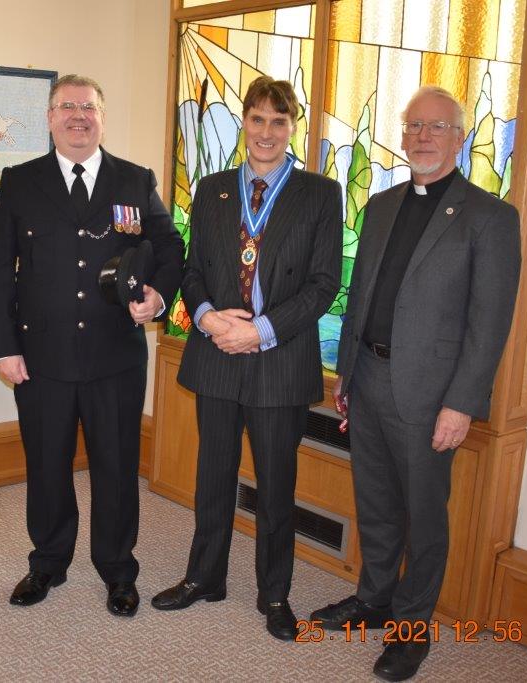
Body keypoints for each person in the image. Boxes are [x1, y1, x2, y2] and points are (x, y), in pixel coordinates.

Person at [309, 86, 521, 681]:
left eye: (437, 127)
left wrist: (461, 404)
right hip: (369, 377)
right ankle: (374, 600)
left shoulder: (491, 217)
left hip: (431, 397)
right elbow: (362, 300)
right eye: (414, 126)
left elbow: (490, 322)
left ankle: (412, 625)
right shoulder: (380, 206)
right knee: (375, 503)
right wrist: (345, 375)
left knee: (424, 515)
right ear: (402, 137)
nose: (423, 137)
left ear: (460, 138)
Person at [0, 74, 183, 617]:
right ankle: (47, 561)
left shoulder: (135, 180)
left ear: (102, 116)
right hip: (40, 357)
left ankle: (118, 569)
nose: (78, 116)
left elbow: (169, 246)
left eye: (88, 107)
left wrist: (159, 296)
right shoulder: (19, 181)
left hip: (114, 357)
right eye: (66, 107)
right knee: (46, 465)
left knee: (116, 467)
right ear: (49, 118)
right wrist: (2, 346)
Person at [150, 77, 342, 640]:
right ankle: (203, 577)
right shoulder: (211, 190)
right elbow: (191, 270)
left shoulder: (319, 193)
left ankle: (274, 593)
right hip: (216, 354)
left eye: (278, 122)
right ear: (244, 123)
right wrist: (207, 317)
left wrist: (260, 330)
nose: (266, 131)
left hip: (278, 357)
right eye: (257, 119)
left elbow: (324, 282)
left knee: (276, 484)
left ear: (292, 128)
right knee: (212, 475)